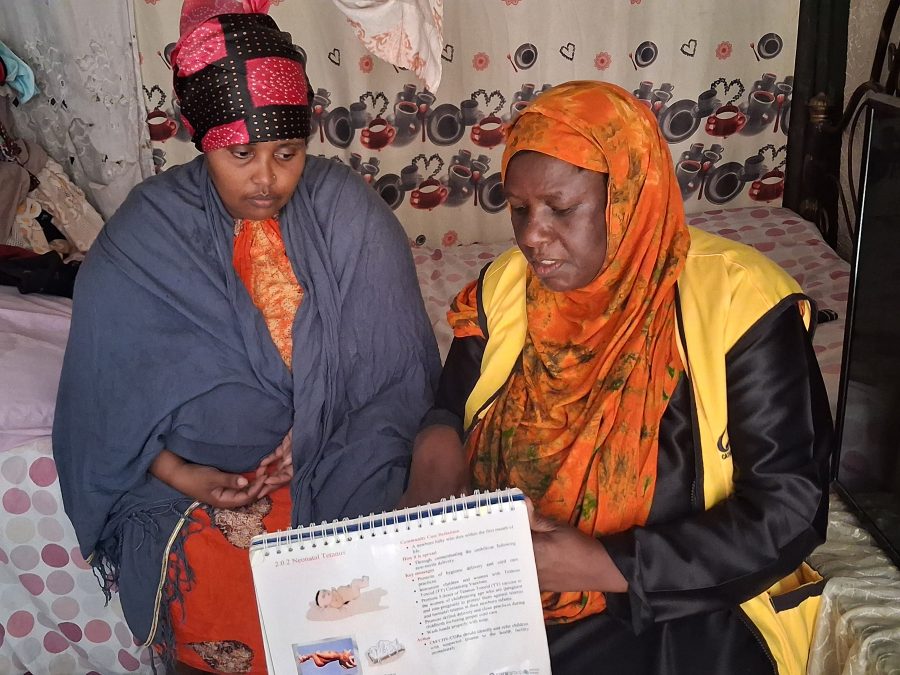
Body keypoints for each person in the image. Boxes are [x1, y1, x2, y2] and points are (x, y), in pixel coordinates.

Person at [52, 1, 439, 673]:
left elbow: (397, 375)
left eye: (287, 153)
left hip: (344, 455)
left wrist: (317, 423)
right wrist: (180, 472)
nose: (266, 178)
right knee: (220, 574)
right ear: (203, 142)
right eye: (241, 154)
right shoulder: (146, 233)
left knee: (368, 578)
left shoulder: (347, 210)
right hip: (198, 481)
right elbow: (103, 402)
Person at [403, 81, 832, 674]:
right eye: (519, 209)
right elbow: (450, 410)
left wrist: (601, 565)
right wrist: (427, 493)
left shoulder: (742, 301)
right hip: (505, 594)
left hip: (683, 608)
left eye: (560, 208)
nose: (531, 236)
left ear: (628, 195)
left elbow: (788, 510)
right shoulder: (505, 288)